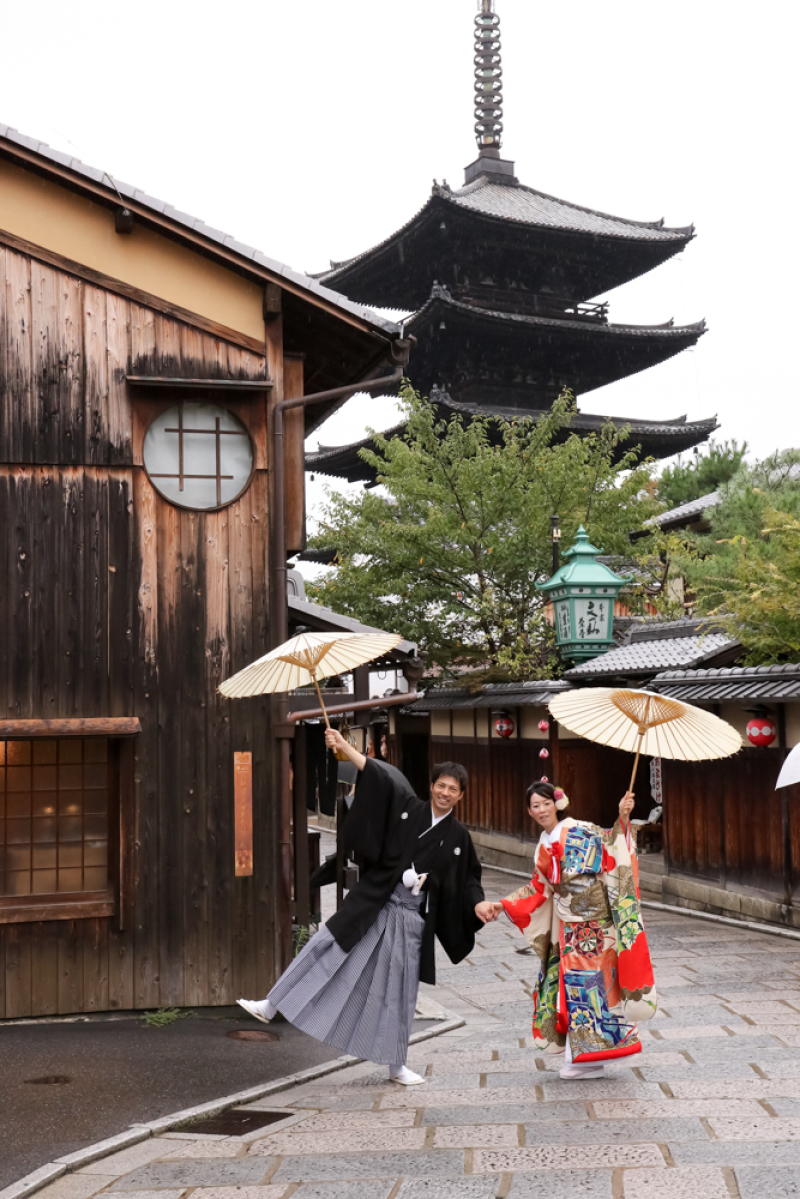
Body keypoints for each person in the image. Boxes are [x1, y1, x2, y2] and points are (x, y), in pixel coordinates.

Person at [238, 728, 497, 1085]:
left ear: (461, 796)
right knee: (325, 945)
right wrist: (344, 748)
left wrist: (478, 903)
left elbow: (468, 879)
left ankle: (396, 1064)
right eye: (441, 785)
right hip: (375, 900)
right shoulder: (409, 807)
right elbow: (380, 776)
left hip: (409, 918)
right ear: (432, 785)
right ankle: (271, 1003)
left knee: (399, 991)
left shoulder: (458, 839)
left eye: (453, 789)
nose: (445, 792)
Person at [490, 780, 657, 1080]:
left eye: (545, 803)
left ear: (557, 804)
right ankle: (585, 1057)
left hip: (595, 926)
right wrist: (504, 904)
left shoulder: (580, 828)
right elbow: (538, 887)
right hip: (569, 927)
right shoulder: (542, 844)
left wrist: (622, 817)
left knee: (593, 992)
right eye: (535, 806)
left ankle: (587, 1059)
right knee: (575, 993)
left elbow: (611, 842)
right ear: (529, 811)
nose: (541, 810)